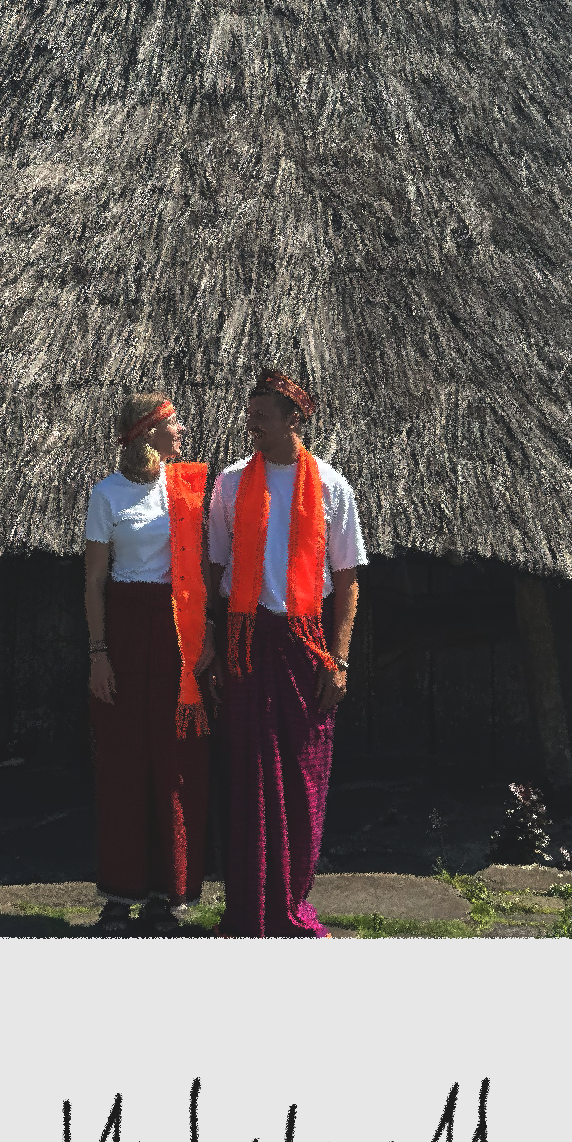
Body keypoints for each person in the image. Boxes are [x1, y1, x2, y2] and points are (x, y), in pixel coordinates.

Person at [199, 372, 366, 938]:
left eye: (261, 417)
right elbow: (213, 566)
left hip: (304, 645)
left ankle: (291, 903)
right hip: (244, 642)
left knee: (301, 774)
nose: (252, 426)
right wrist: (211, 639)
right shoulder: (229, 484)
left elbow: (347, 581)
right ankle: (248, 910)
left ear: (293, 419)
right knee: (247, 775)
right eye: (250, 416)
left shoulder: (333, 488)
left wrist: (340, 661)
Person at [82, 394, 214, 934]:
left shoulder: (188, 488)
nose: (180, 430)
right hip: (125, 630)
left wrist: (206, 633)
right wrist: (99, 654)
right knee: (123, 759)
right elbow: (94, 581)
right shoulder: (107, 494)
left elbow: (204, 566)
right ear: (146, 433)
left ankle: (168, 892)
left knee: (175, 759)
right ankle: (120, 894)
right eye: (171, 423)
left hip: (178, 634)